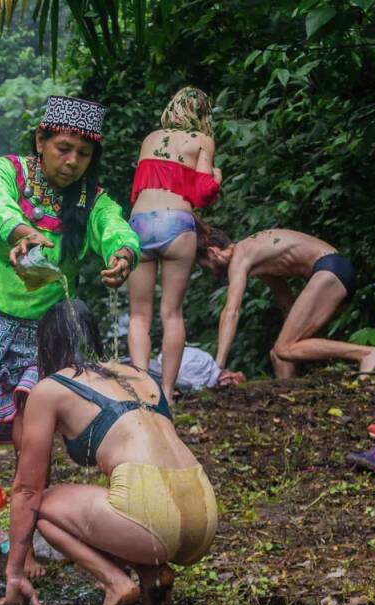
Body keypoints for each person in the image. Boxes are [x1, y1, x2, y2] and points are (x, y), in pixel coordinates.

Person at [0, 96, 141, 480]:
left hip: (44, 324)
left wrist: (122, 253)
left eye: (84, 154)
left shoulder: (93, 200)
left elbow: (114, 226)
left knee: (33, 416)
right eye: (63, 149)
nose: (72, 161)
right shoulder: (7, 171)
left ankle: (26, 521)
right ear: (41, 140)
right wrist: (25, 233)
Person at [0, 300, 218, 605]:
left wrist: (14, 573)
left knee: (43, 504)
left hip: (153, 516)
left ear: (46, 345)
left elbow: (28, 488)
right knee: (115, 499)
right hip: (203, 511)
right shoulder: (139, 373)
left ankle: (116, 583)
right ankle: (152, 572)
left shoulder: (50, 388)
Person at [127, 87, 222, 404]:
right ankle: (166, 393)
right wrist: (217, 176)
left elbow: (139, 187)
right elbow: (204, 192)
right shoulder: (201, 140)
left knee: (139, 315)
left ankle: (142, 390)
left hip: (139, 223)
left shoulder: (151, 138)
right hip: (176, 224)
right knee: (172, 314)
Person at [195, 223, 375, 378]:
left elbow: (231, 312)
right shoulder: (257, 257)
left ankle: (366, 353)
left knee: (284, 348)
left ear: (213, 252)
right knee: (279, 355)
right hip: (336, 271)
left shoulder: (240, 256)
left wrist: (217, 366)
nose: (213, 274)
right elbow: (286, 301)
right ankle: (289, 401)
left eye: (208, 267)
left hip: (330, 270)